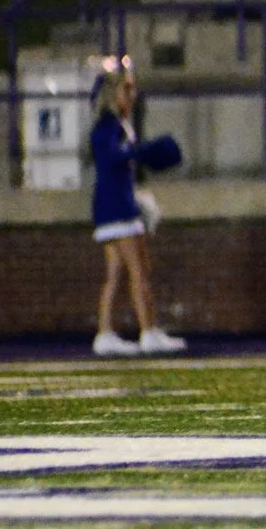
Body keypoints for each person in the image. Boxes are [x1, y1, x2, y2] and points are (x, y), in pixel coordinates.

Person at [86, 59, 184, 357]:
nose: (132, 94)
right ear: (112, 93)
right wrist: (139, 152)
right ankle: (149, 331)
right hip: (117, 206)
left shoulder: (115, 124)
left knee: (116, 272)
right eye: (126, 89)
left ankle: (105, 334)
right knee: (139, 268)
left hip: (113, 202)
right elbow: (112, 158)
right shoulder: (108, 126)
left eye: (133, 88)